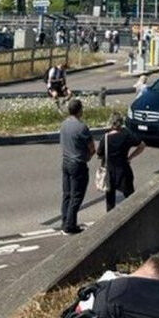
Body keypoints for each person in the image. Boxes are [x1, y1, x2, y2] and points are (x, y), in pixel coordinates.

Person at [60, 99, 96, 235]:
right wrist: (88, 156)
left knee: (67, 194)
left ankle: (65, 221)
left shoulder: (64, 124)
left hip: (66, 162)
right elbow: (92, 148)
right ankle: (70, 226)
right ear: (80, 110)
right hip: (78, 164)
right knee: (77, 196)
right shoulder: (82, 127)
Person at [97, 112, 146, 212]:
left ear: (111, 123)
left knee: (110, 201)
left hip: (110, 172)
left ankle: (111, 219)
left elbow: (99, 154)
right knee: (131, 197)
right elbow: (142, 145)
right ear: (121, 123)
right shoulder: (126, 135)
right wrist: (130, 157)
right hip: (124, 170)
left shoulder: (105, 138)